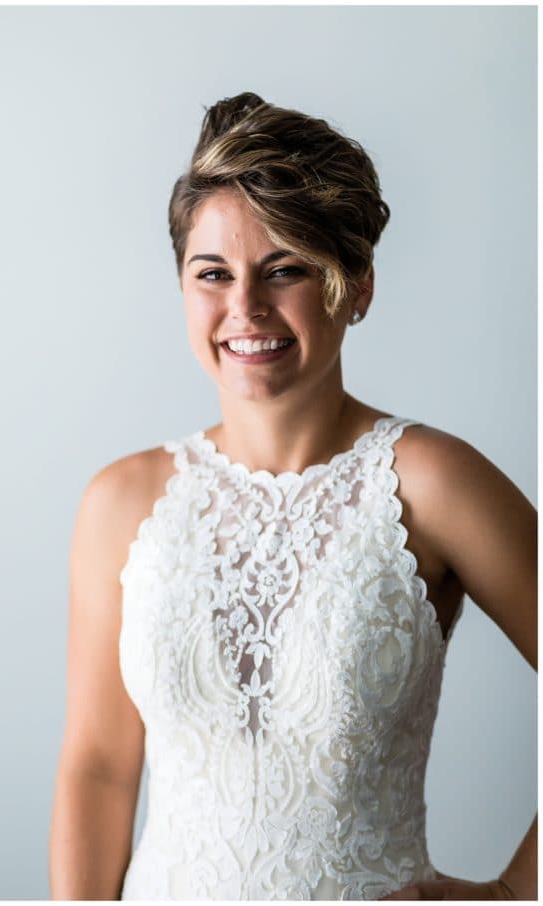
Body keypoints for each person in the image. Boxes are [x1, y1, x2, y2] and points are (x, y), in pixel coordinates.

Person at [49, 93, 536, 900]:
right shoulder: (121, 502)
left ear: (357, 287)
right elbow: (98, 767)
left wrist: (517, 893)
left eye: (285, 270)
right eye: (213, 274)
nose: (245, 307)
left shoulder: (433, 484)